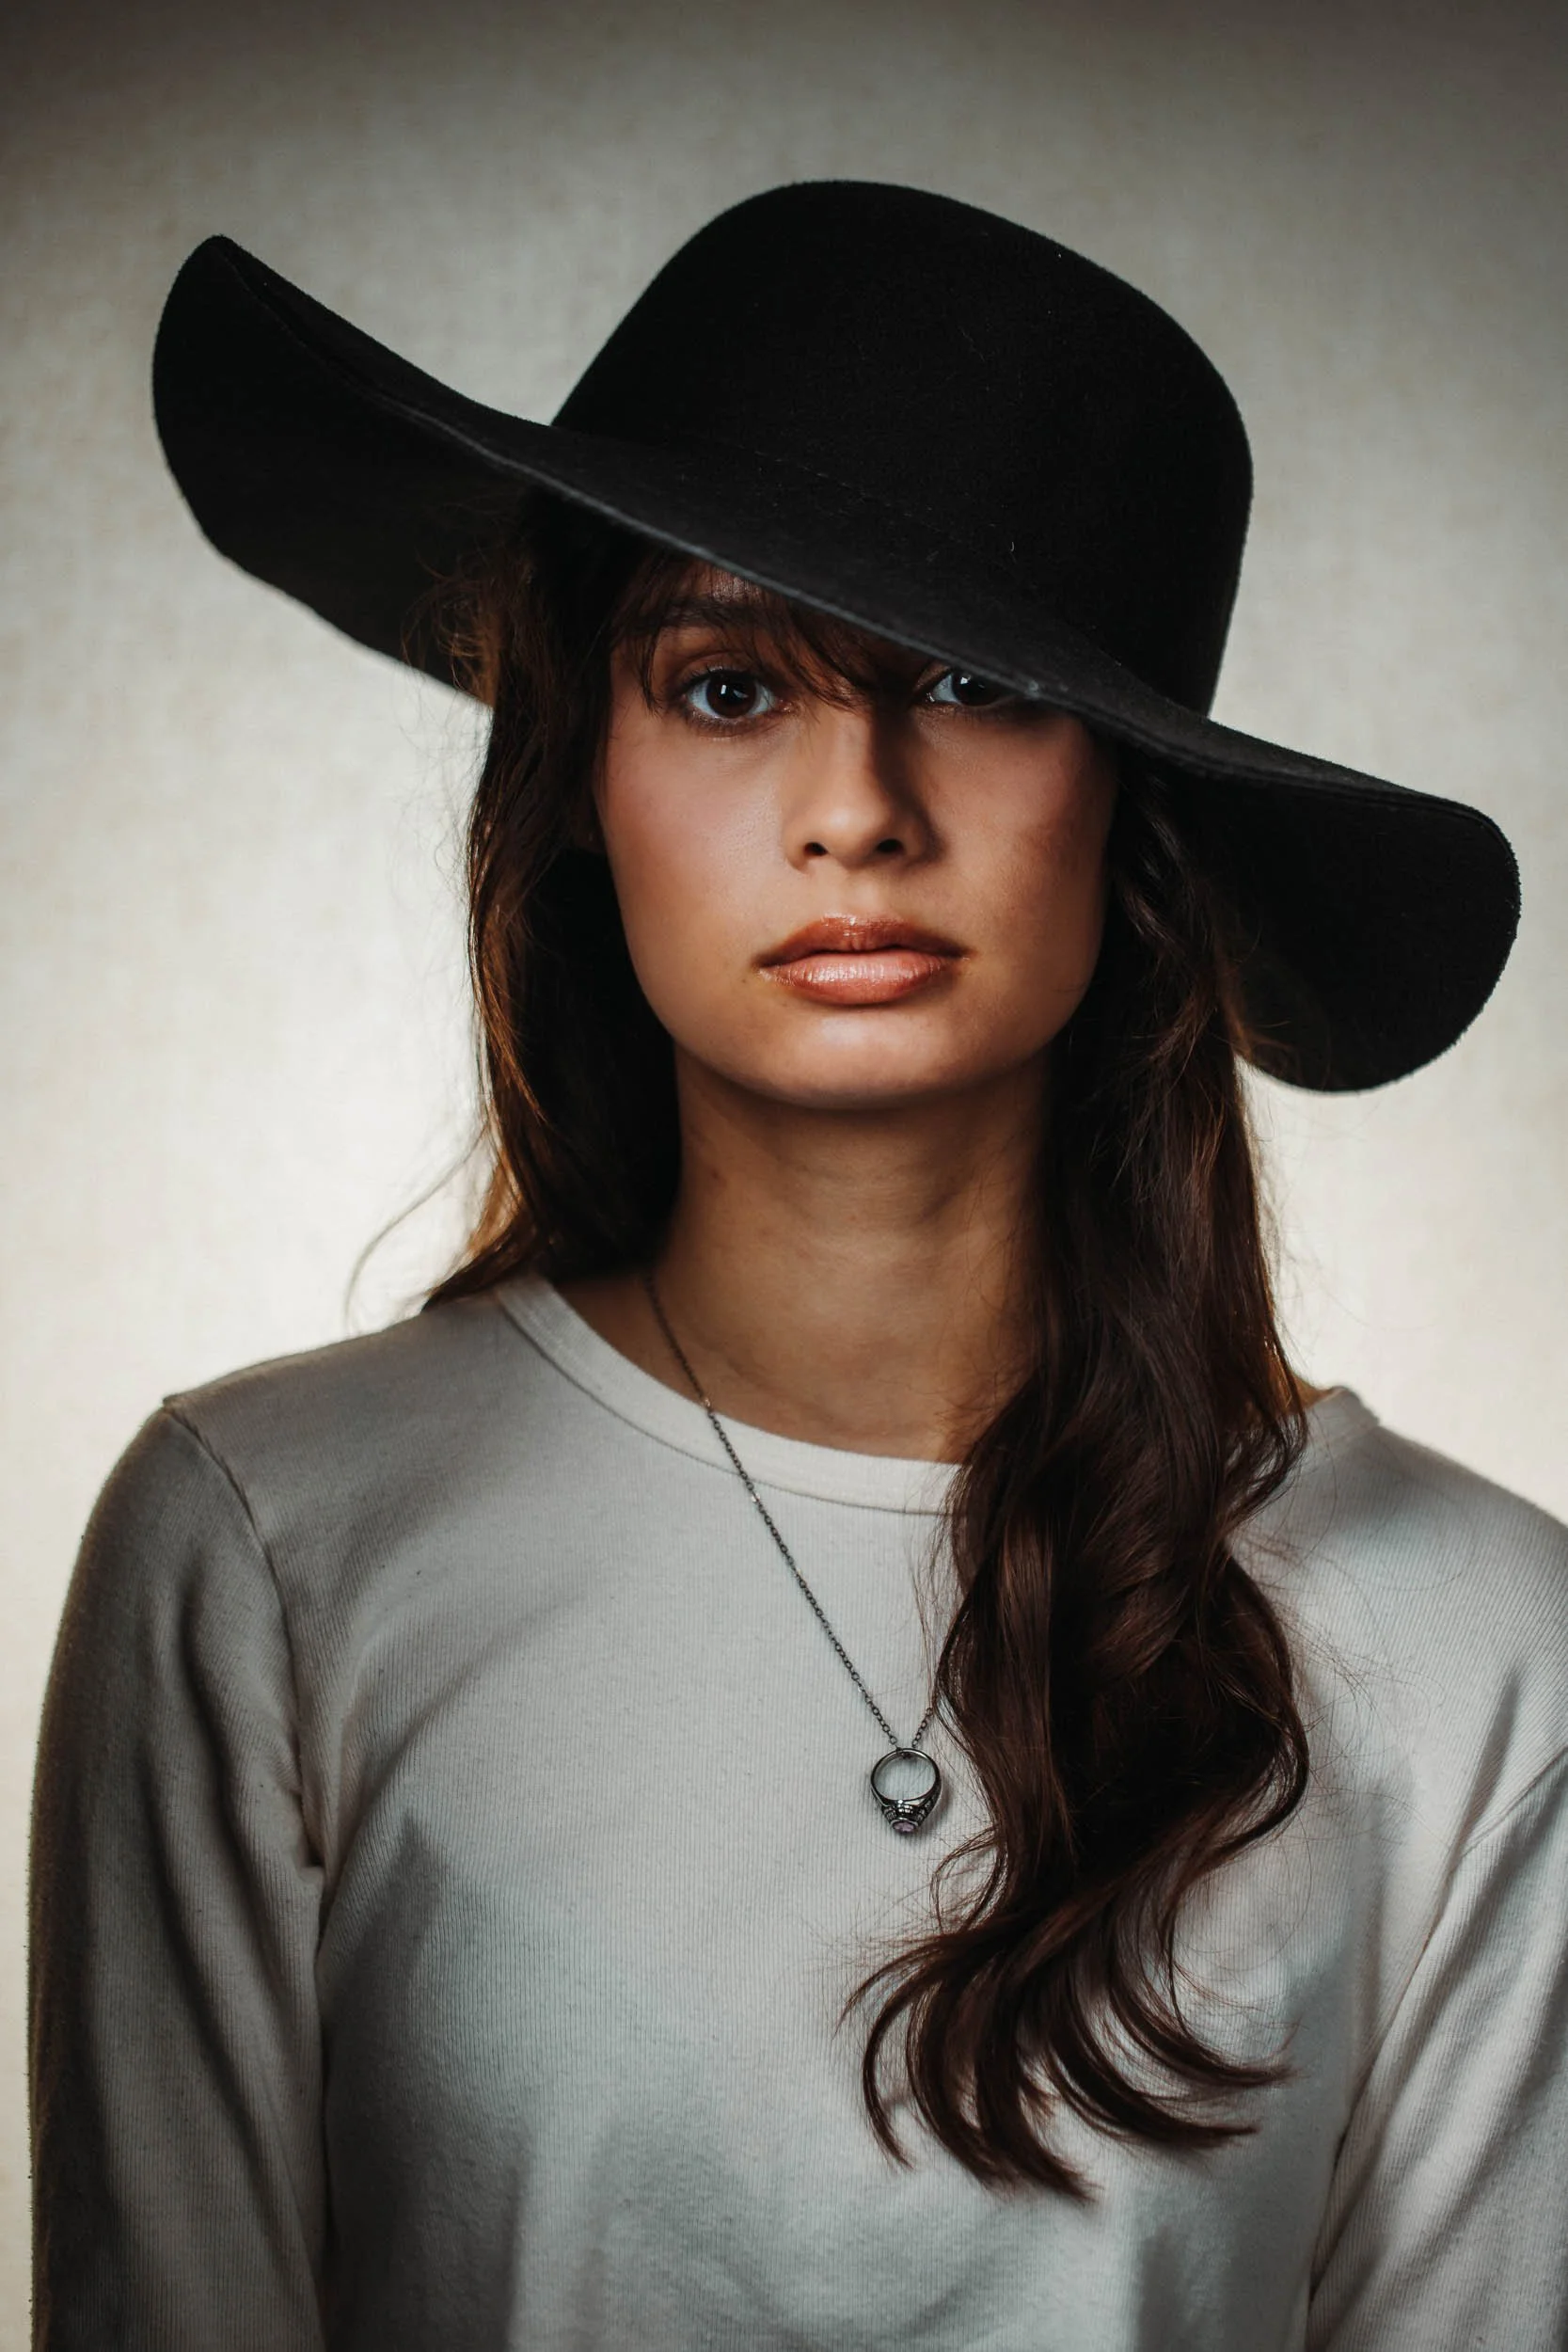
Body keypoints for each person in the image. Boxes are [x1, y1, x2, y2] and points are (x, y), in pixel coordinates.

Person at [28, 182, 1568, 2351]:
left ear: (1124, 799)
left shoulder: (1478, 1645)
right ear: (576, 770)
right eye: (730, 680)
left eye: (973, 681)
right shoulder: (270, 1549)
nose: (856, 803)